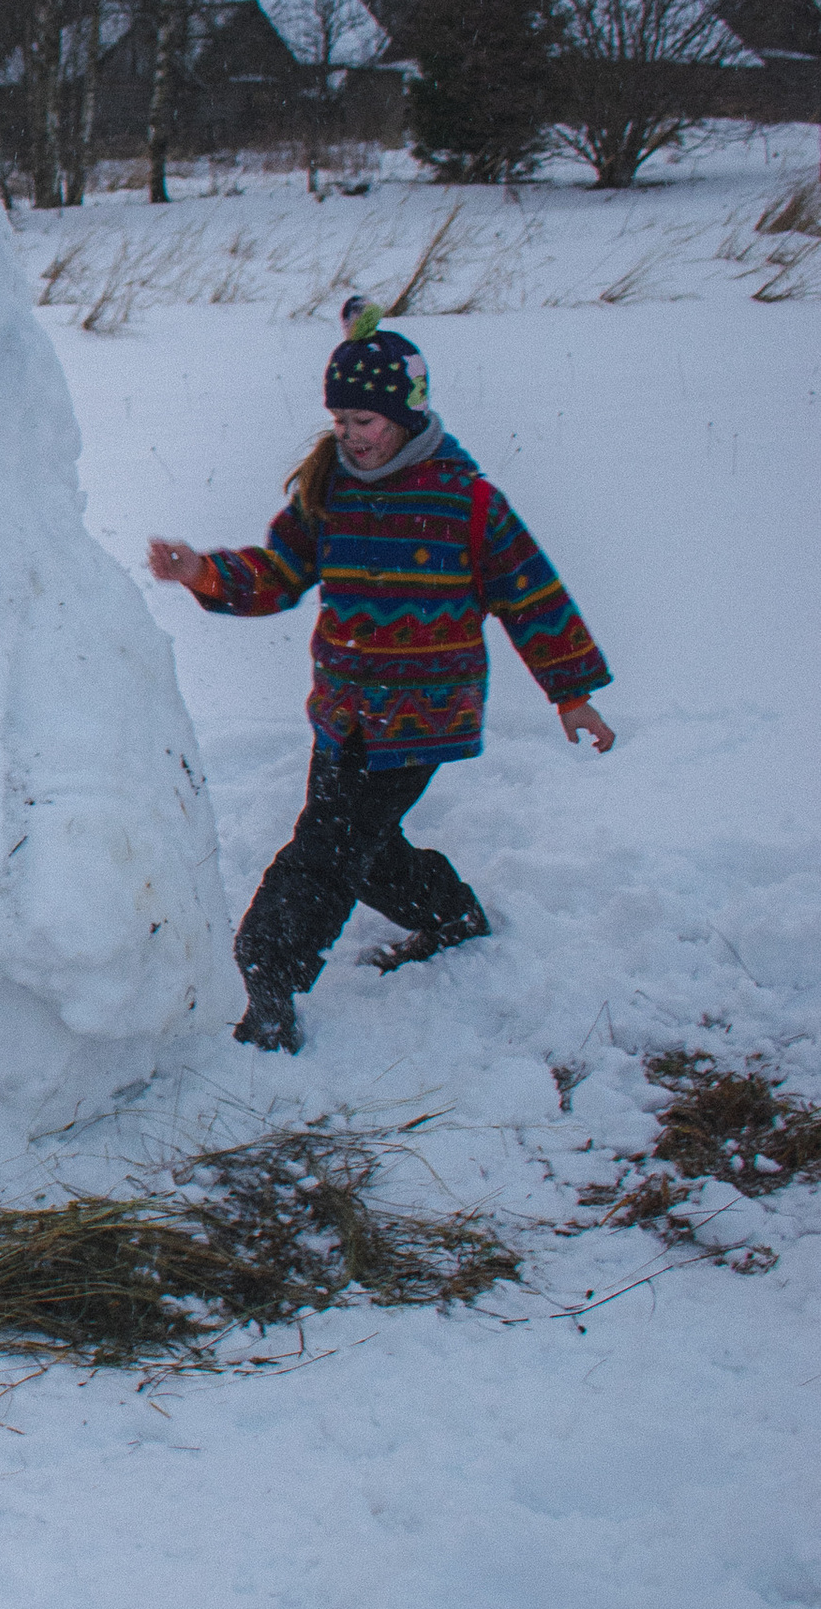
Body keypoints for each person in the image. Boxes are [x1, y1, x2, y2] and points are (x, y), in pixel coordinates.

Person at [147, 302, 615, 1053]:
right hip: (344, 711)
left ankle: (263, 981)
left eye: (365, 420)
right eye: (340, 420)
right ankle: (450, 913)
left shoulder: (467, 501)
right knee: (356, 843)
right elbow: (278, 573)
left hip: (425, 718)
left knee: (325, 847)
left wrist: (573, 694)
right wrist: (206, 573)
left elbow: (533, 596)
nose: (351, 436)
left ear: (407, 414)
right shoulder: (330, 493)